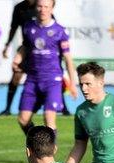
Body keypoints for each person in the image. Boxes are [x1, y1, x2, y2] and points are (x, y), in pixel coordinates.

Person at [15, 0, 77, 136]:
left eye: (46, 7)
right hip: (32, 79)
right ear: (35, 7)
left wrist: (72, 84)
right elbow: (26, 46)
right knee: (23, 119)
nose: (43, 9)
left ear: (52, 9)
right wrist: (18, 57)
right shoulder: (28, 27)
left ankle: (49, 154)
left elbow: (68, 59)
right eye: (40, 6)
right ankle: (37, 143)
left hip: (52, 80)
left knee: (49, 120)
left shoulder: (59, 31)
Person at [0, 0, 71, 116]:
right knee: (16, 77)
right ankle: (7, 108)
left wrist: (59, 54)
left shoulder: (42, 7)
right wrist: (7, 45)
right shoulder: (19, 8)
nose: (42, 9)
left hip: (46, 54)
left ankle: (64, 108)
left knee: (54, 80)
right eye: (40, 7)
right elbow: (14, 27)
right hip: (28, 49)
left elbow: (53, 32)